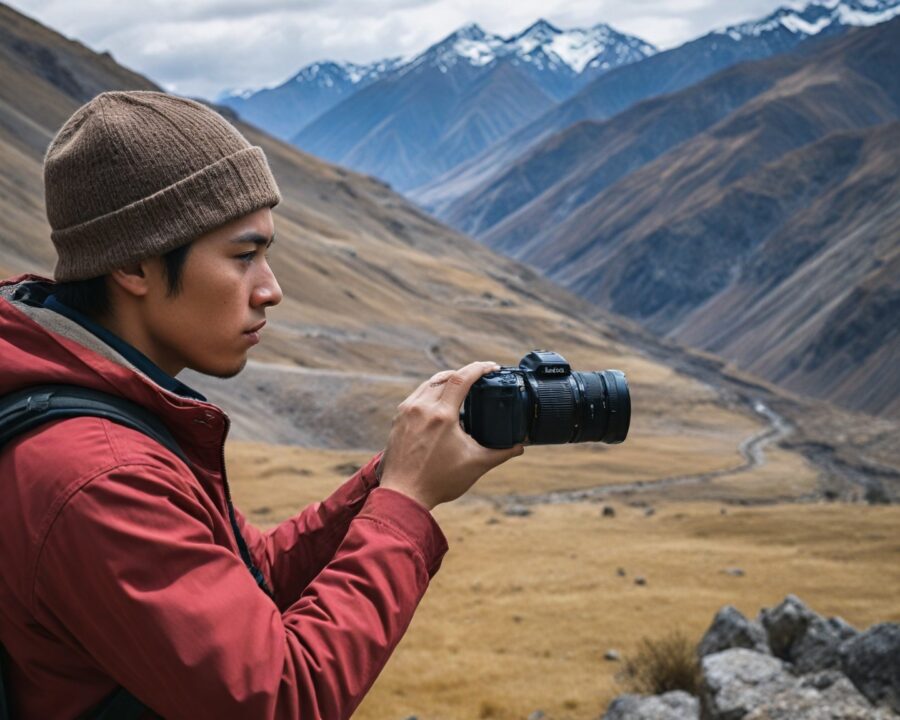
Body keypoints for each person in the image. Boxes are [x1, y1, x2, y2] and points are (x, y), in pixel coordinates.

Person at [0, 91, 523, 719]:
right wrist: (405, 506)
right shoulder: (101, 477)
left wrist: (389, 476)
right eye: (244, 256)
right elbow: (279, 697)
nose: (271, 289)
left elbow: (252, 577)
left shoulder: (107, 406)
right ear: (135, 264)